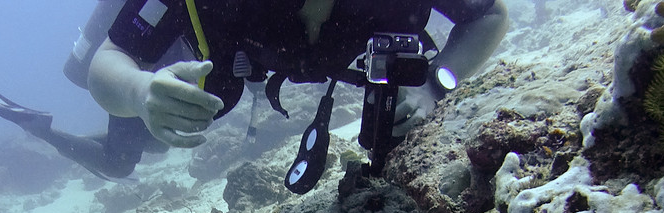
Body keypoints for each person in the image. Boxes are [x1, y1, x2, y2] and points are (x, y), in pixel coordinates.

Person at [70, 0, 508, 180]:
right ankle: (103, 146)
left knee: (397, 116)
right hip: (228, 66)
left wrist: (434, 83)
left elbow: (489, 14)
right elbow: (107, 61)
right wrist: (138, 92)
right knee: (168, 120)